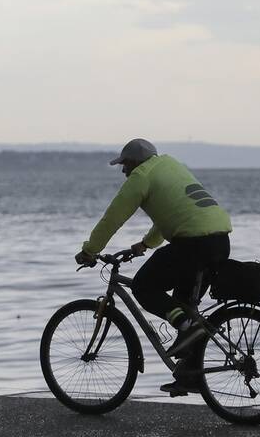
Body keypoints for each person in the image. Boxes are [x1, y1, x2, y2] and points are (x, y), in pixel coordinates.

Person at [75, 138, 232, 395]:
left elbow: (112, 218)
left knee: (143, 287)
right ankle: (189, 375)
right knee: (183, 306)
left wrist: (90, 250)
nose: (124, 171)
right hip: (219, 243)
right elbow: (171, 213)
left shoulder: (141, 177)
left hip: (193, 244)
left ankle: (188, 328)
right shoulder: (171, 166)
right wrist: (145, 244)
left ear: (135, 162)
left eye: (125, 165)